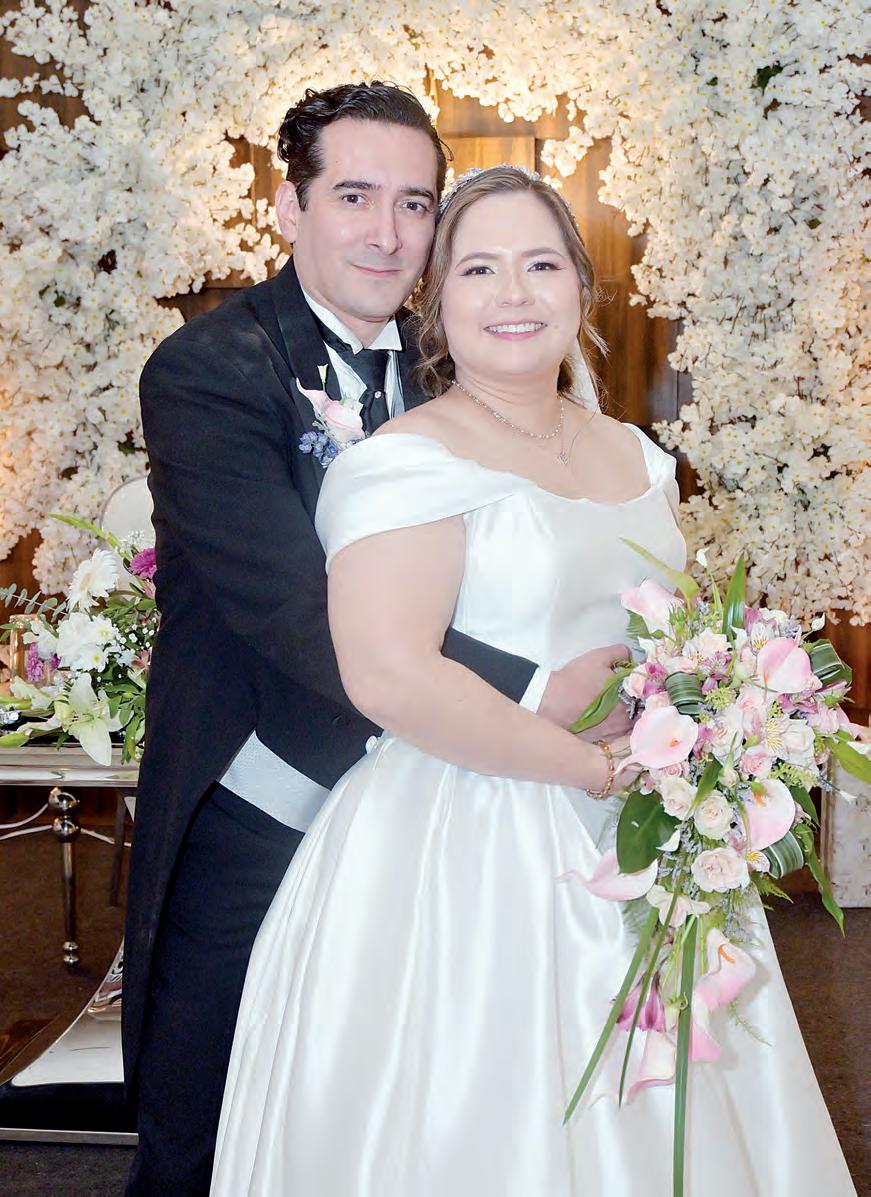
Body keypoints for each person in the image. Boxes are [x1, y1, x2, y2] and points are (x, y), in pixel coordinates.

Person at [209, 167, 857, 1195]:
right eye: (478, 269)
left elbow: (667, 637)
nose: (512, 294)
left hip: (642, 830)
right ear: (436, 300)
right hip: (463, 843)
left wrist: (709, 720)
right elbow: (387, 675)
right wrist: (594, 772)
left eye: (540, 265)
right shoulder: (405, 462)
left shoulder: (636, 456)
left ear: (581, 289)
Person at [124, 85, 632, 1196]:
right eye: (354, 196)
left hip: (458, 805)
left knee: (428, 1113)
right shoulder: (211, 370)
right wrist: (539, 688)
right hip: (273, 800)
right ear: (288, 206)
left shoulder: (461, 350)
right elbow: (297, 607)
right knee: (207, 1123)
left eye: (414, 204)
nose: (388, 233)